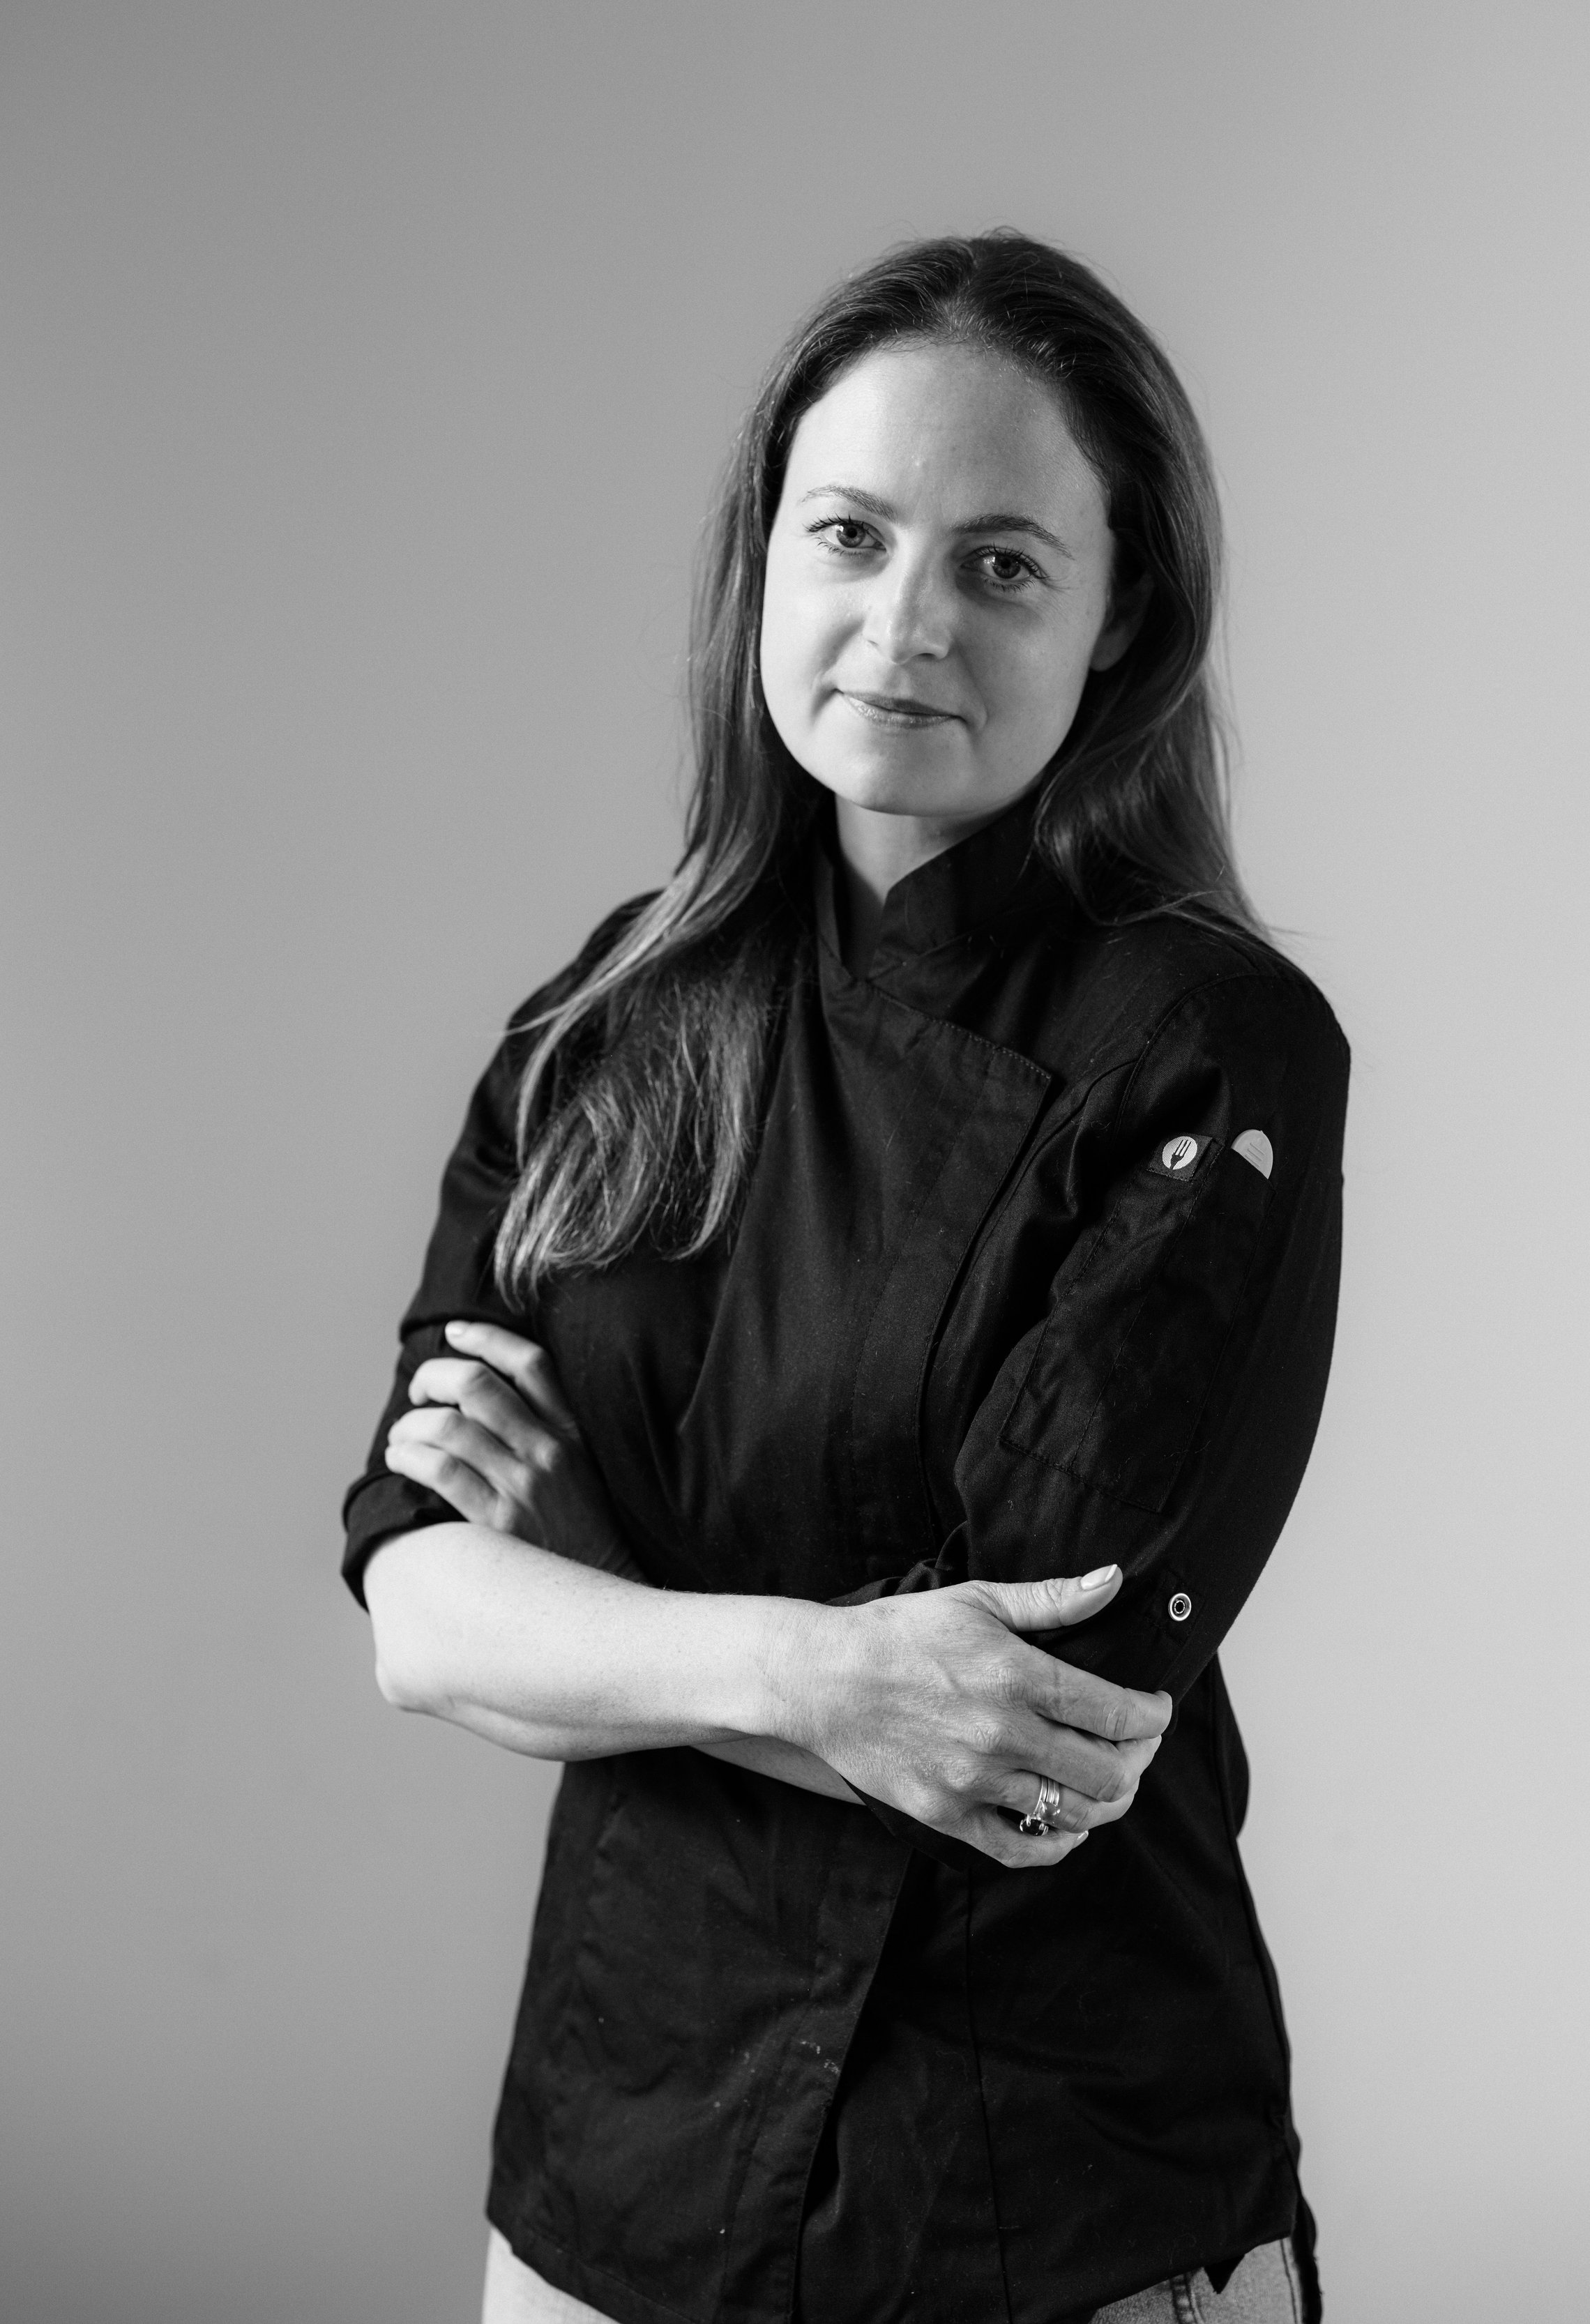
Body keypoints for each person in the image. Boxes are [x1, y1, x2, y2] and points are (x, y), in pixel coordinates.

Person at [344, 231, 1347, 2324]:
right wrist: (811, 1668)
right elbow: (422, 1620)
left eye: (998, 563)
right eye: (850, 536)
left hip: (1035, 2194)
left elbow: (1026, 1741)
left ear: (1117, 614)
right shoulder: (596, 1029)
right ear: (763, 567)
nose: (902, 625)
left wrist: (599, 1584)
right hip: (605, 2177)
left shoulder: (1208, 1048)